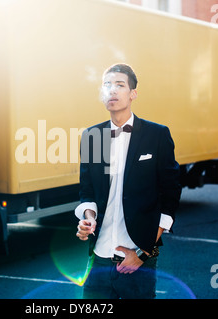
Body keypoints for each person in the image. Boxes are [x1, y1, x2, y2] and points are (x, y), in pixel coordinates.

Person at [75, 63, 181, 299]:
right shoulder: (92, 137)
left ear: (133, 94)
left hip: (137, 259)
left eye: (119, 85)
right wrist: (88, 220)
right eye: (107, 85)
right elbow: (87, 192)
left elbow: (170, 198)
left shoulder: (157, 135)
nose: (112, 90)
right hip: (99, 258)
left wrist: (143, 254)